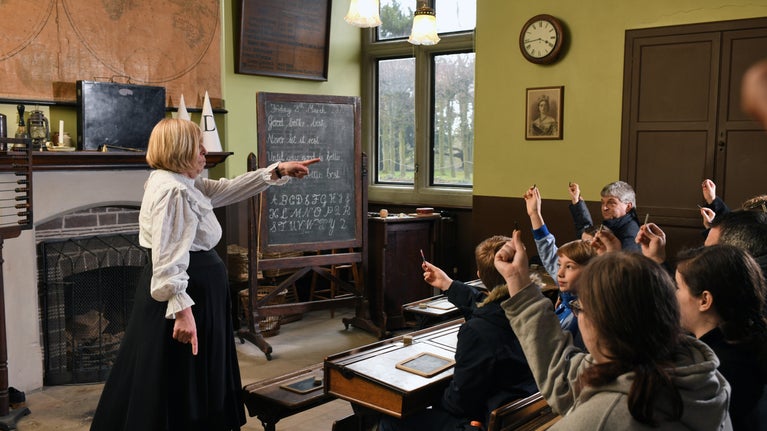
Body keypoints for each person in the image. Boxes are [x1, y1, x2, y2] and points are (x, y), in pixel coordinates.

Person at [90, 118, 320, 431]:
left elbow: (226, 189)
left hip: (196, 291)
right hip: (188, 294)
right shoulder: (174, 191)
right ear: (178, 150)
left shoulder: (182, 182)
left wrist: (276, 171)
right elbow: (167, 259)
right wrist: (183, 313)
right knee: (181, 374)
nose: (204, 152)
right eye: (198, 147)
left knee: (174, 373)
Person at [495, 231, 733, 430]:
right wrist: (517, 279)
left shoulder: (603, 418)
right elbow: (563, 376)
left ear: (604, 323)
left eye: (580, 306)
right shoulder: (702, 378)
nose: (578, 314)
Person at [380, 235, 537, 431]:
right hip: (524, 411)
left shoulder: (477, 332)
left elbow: (459, 402)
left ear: (479, 275)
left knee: (391, 422)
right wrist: (448, 284)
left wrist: (428, 399)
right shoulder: (537, 310)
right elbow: (485, 304)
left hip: (485, 421)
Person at [675, 245, 767, 430]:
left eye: (678, 287)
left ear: (704, 300)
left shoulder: (712, 369)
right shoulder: (751, 338)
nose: (674, 295)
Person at [523, 185, 597, 348]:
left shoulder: (588, 314)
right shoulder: (570, 296)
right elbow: (548, 250)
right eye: (559, 265)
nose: (559, 273)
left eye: (569, 267)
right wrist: (535, 214)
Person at [568, 180, 641, 251]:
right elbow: (587, 234)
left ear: (628, 206)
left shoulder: (631, 235)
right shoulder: (614, 223)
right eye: (603, 203)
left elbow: (626, 263)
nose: (604, 208)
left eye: (611, 203)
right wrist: (577, 202)